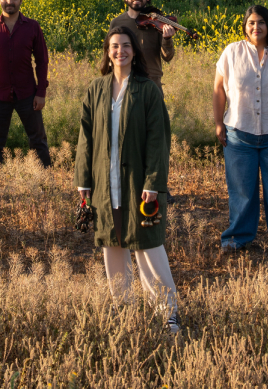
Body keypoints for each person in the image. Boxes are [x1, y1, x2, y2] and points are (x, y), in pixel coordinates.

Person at [76, 26, 179, 334]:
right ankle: (123, 309)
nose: (119, 50)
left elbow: (158, 140)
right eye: (114, 46)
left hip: (138, 181)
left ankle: (168, 313)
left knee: (148, 244)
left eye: (125, 46)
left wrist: (153, 182)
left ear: (134, 51)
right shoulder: (96, 88)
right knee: (112, 243)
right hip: (104, 181)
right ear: (108, 52)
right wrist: (83, 178)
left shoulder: (147, 90)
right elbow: (85, 136)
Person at [213, 5, 268, 256]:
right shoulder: (232, 52)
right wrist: (219, 122)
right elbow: (219, 89)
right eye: (251, 22)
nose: (256, 27)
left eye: (261, 22)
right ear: (245, 25)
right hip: (240, 133)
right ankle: (237, 237)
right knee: (242, 191)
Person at [0, 0, 51, 168]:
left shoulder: (33, 27)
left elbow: (42, 61)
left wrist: (41, 92)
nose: (10, 1)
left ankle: (48, 182)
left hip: (28, 94)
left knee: (38, 141)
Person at [109, 0, 176, 89]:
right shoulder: (117, 23)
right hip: (124, 83)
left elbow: (167, 57)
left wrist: (167, 39)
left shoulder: (158, 22)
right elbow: (110, 55)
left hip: (151, 84)